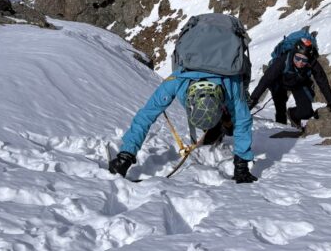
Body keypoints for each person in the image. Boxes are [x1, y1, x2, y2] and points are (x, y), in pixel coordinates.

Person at [108, 13, 257, 183]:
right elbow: (146, 115)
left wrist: (241, 163)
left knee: (236, 113)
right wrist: (126, 155)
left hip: (223, 60)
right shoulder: (177, 80)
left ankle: (224, 125)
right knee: (237, 113)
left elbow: (146, 115)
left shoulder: (231, 82)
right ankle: (222, 126)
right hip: (212, 55)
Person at [248, 29, 331, 128]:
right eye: (297, 58)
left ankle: (293, 115)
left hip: (298, 82)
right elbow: (265, 80)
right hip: (279, 81)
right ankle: (280, 129)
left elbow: (322, 81)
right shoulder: (283, 61)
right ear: (293, 54)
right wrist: (252, 101)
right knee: (280, 109)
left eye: (304, 60)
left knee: (306, 112)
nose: (300, 62)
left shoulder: (312, 62)